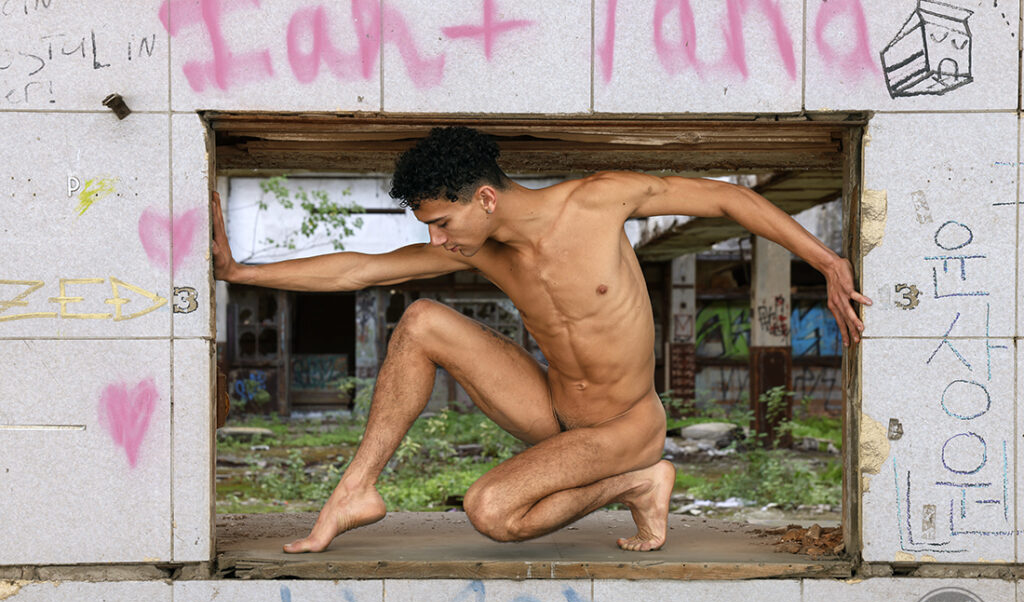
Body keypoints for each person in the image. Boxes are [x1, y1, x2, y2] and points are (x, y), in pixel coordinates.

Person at [211, 126, 870, 553]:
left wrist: (830, 262)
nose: (437, 239)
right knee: (419, 323)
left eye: (442, 222)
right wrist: (240, 271)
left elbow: (729, 202)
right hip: (552, 407)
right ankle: (356, 490)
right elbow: (360, 267)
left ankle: (639, 480)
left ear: (487, 198)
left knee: (491, 510)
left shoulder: (597, 203)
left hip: (623, 427)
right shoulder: (480, 252)